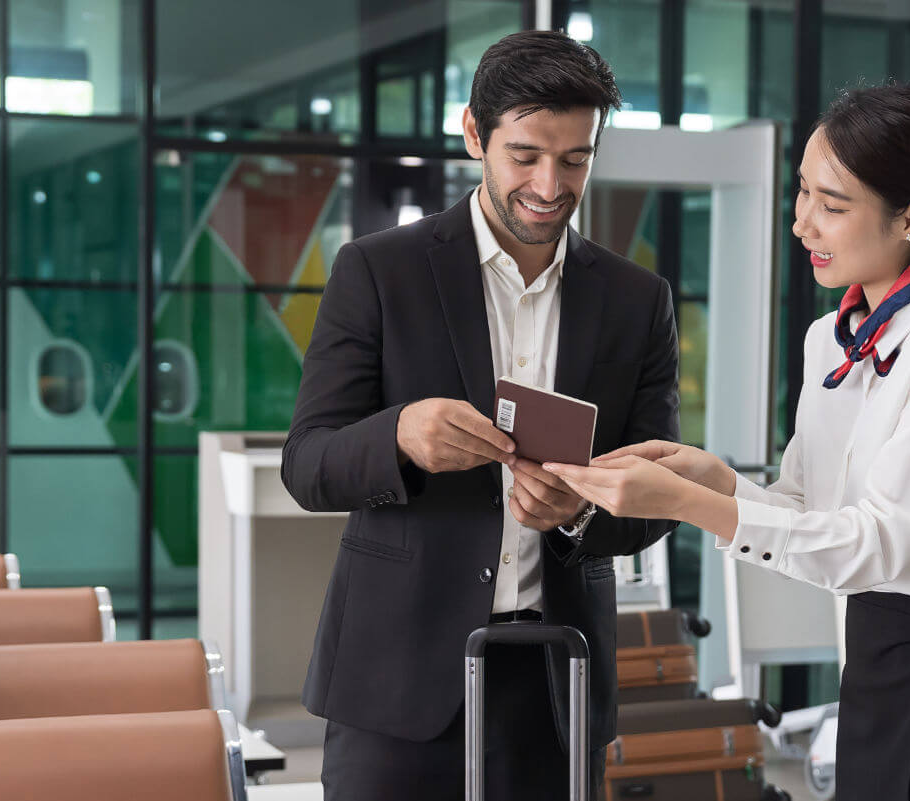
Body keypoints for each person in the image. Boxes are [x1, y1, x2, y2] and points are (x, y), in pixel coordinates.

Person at [547, 83, 910, 799]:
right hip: (878, 649)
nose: (802, 224)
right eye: (802, 193)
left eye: (832, 205)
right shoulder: (830, 338)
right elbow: (807, 507)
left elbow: (874, 542)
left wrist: (691, 506)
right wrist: (714, 481)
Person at [280, 30, 680, 801]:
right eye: (525, 154)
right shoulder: (378, 271)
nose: (549, 183)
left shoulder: (638, 302)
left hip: (555, 681)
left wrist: (578, 513)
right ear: (474, 133)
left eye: (575, 160)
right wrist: (398, 436)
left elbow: (655, 495)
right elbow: (309, 461)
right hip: (394, 677)